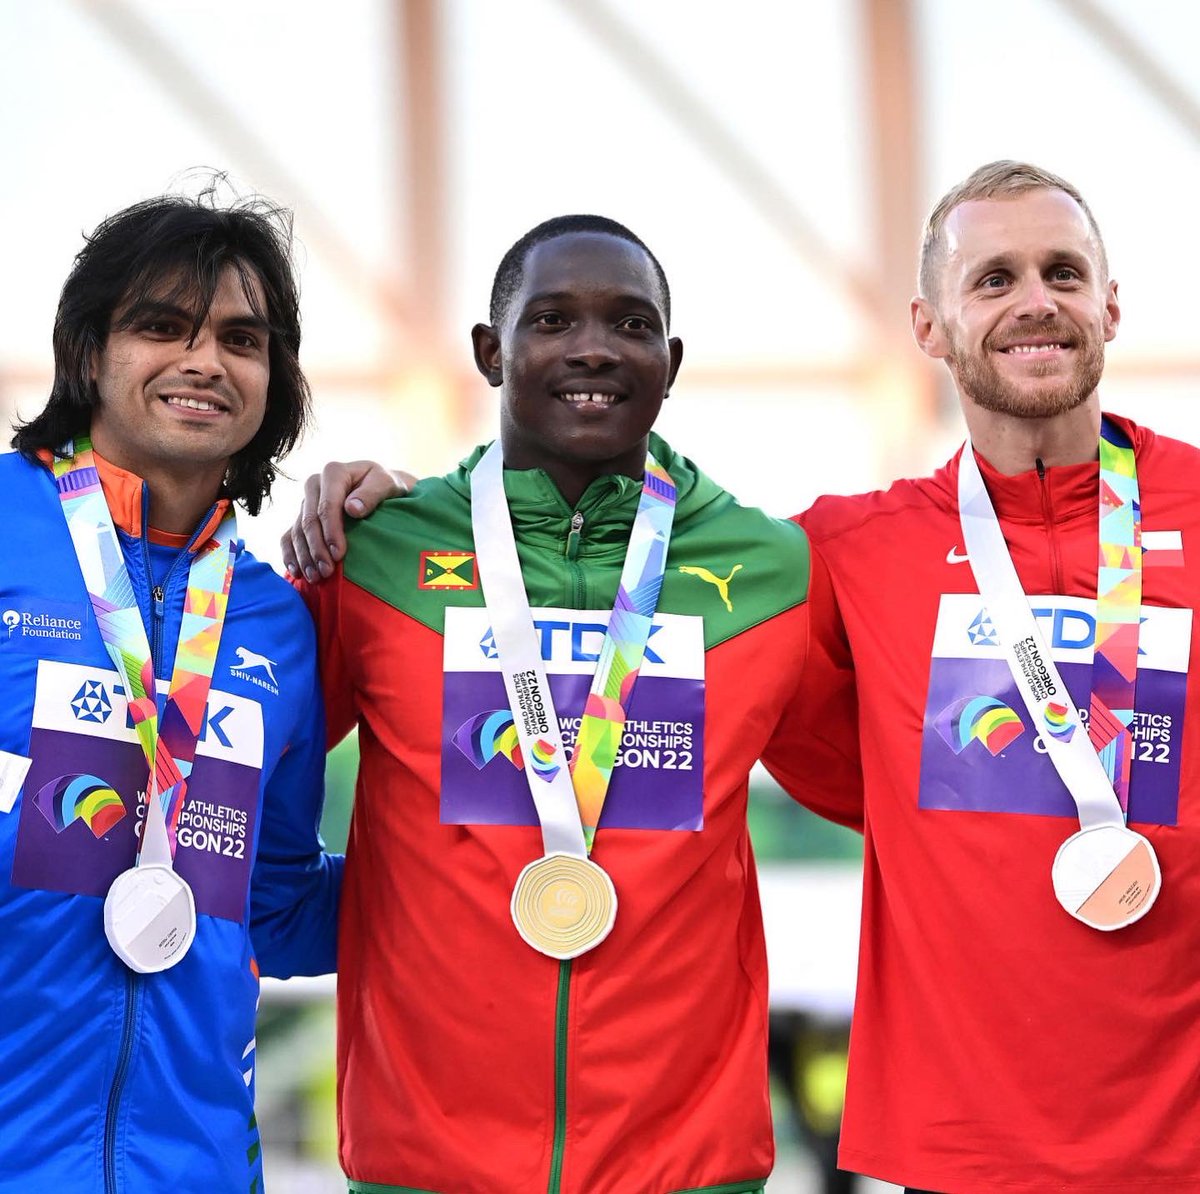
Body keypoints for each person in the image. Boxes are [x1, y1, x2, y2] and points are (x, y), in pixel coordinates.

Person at [294, 214, 859, 1194]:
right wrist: (327, 918)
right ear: (489, 351)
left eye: (630, 324)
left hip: (688, 1166)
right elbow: (250, 765)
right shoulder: (375, 557)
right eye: (551, 320)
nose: (593, 348)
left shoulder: (772, 571)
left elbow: (882, 784)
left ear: (671, 361)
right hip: (422, 1161)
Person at [766, 160, 1200, 1192]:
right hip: (957, 1151)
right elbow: (603, 578)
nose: (1036, 302)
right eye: (993, 278)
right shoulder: (846, 552)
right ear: (931, 325)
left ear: (1110, 305)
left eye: (1063, 271)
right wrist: (421, 508)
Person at [0, 193, 341, 1192]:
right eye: (161, 326)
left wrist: (477, 872)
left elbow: (274, 906)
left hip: (190, 1169)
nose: (204, 362)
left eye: (241, 339)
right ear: (85, 353)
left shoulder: (274, 619)